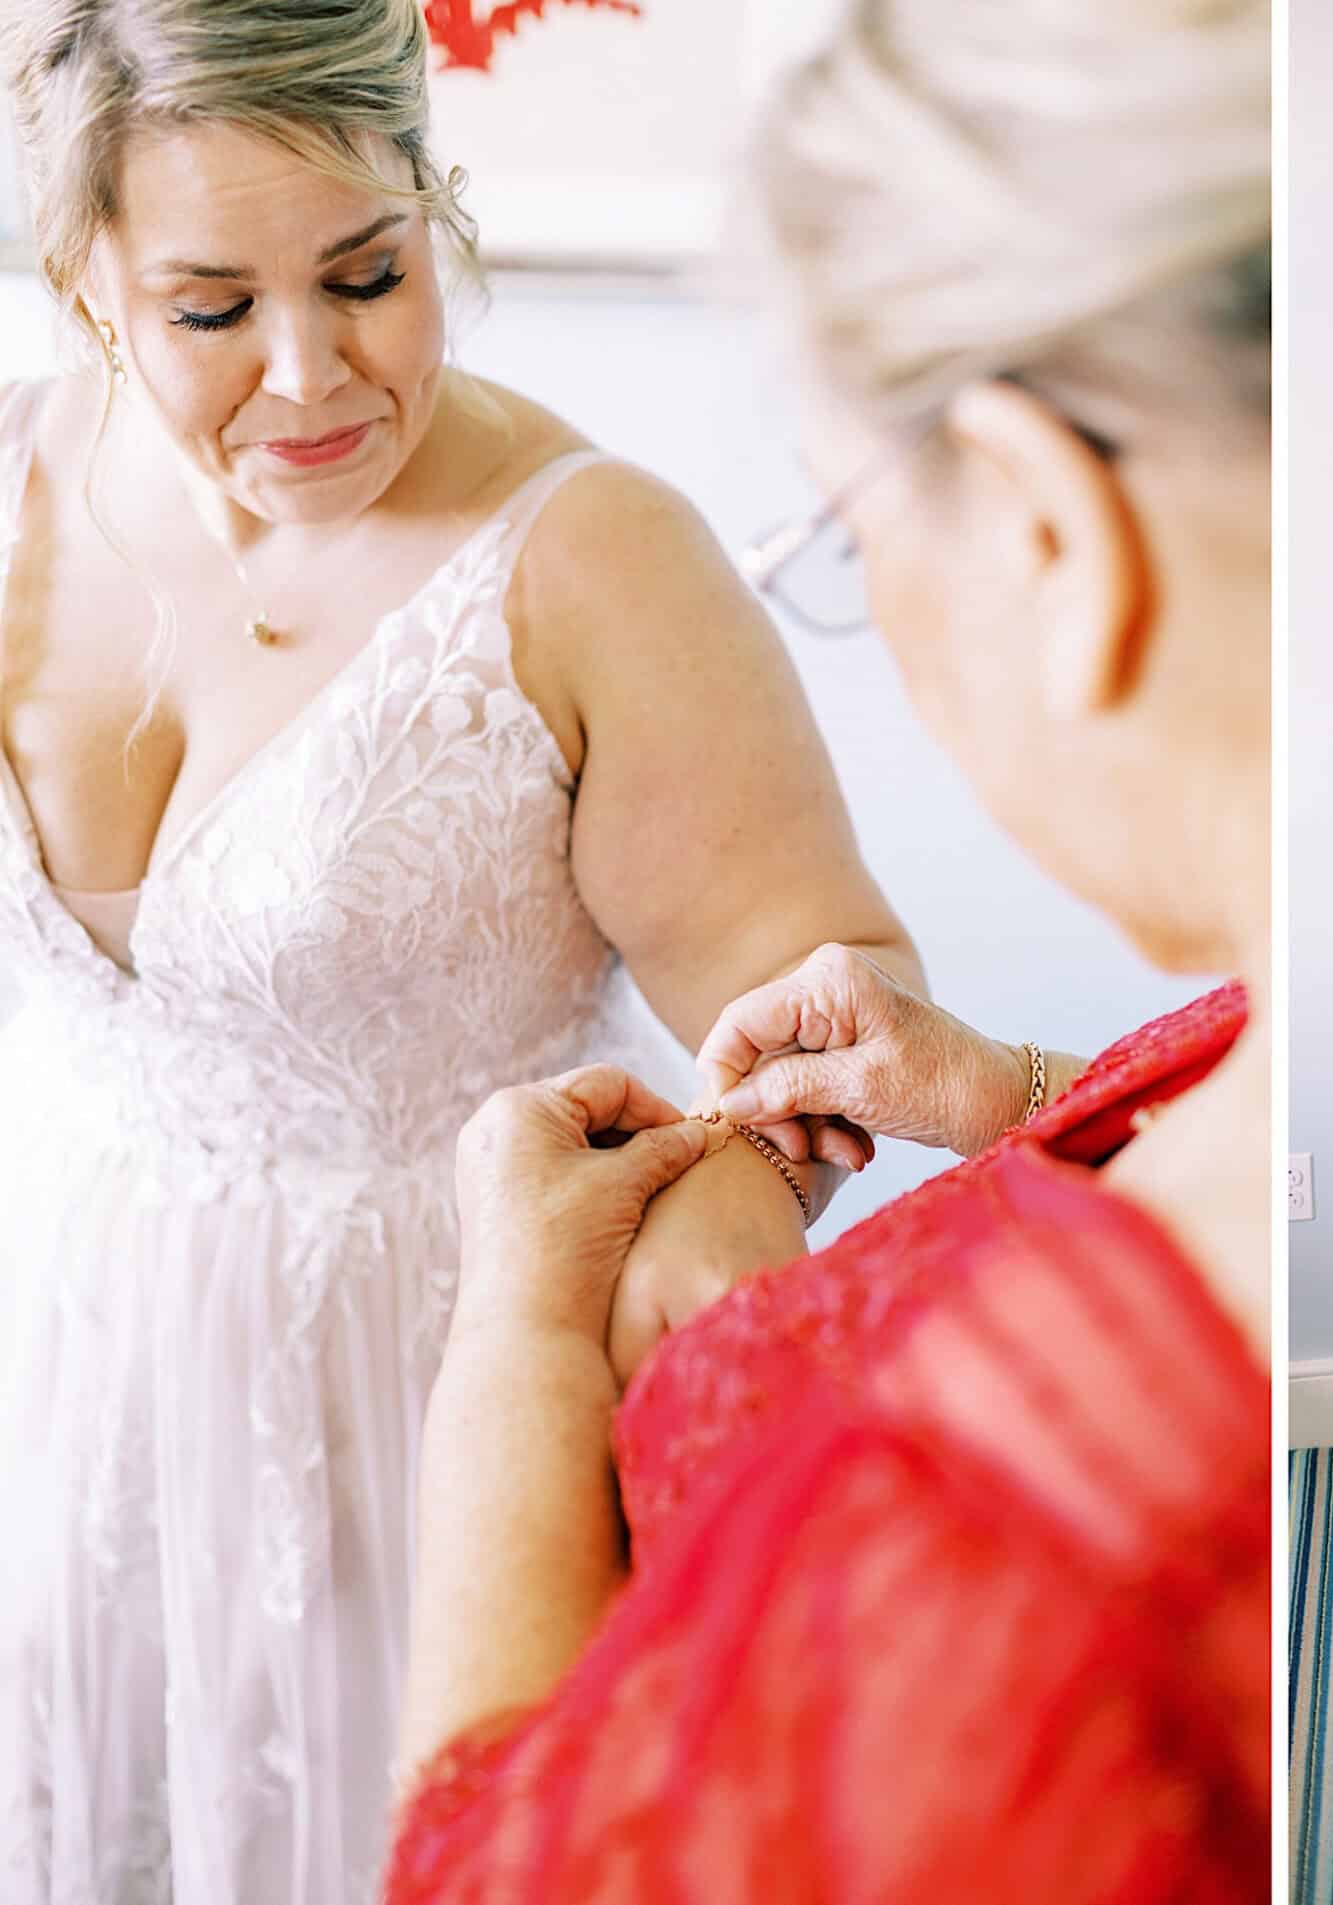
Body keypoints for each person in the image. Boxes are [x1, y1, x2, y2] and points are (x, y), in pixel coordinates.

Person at [0, 2, 919, 1896]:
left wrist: (735, 1193)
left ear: (435, 204)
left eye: (368, 274)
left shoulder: (594, 561)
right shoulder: (12, 489)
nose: (309, 374)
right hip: (64, 1369)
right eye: (209, 309)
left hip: (426, 1417)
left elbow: (819, 1013)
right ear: (86, 277)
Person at [383, 2, 1272, 1898]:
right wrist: (1016, 1091)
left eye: (855, 548)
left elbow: (487, 1859)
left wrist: (518, 1339)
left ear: (1051, 530)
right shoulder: (1275, 1043)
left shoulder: (1022, 1587)